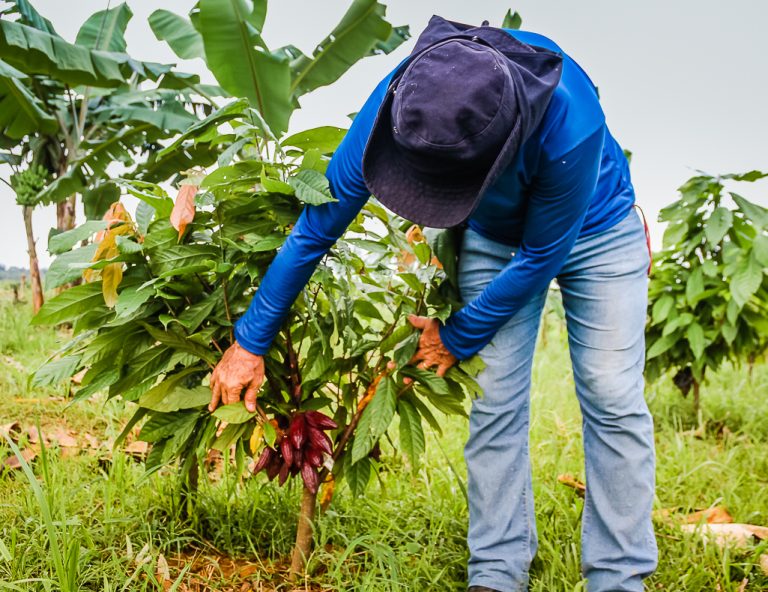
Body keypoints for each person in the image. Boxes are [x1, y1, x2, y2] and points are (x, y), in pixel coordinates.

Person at [208, 15, 657, 592]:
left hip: (598, 230)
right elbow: (316, 228)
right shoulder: (407, 100)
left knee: (612, 394)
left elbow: (541, 255)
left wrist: (457, 334)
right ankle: (496, 572)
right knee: (494, 400)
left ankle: (618, 577)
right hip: (495, 236)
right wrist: (250, 339)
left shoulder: (569, 119)